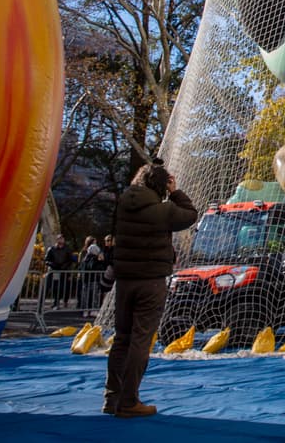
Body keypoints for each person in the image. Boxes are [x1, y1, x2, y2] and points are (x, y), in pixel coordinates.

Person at [104, 160, 198, 419]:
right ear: (162, 186)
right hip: (151, 280)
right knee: (140, 340)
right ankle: (129, 400)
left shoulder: (123, 205)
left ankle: (112, 396)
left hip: (124, 281)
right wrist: (175, 191)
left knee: (121, 338)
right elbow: (190, 214)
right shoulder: (163, 210)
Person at [43, 234, 77, 308]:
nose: (60, 240)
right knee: (50, 286)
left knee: (61, 287)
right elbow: (46, 260)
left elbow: (71, 260)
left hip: (63, 271)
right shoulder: (51, 249)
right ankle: (43, 303)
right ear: (57, 240)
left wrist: (67, 267)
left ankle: (58, 302)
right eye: (59, 239)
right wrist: (52, 264)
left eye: (62, 239)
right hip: (53, 270)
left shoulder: (67, 249)